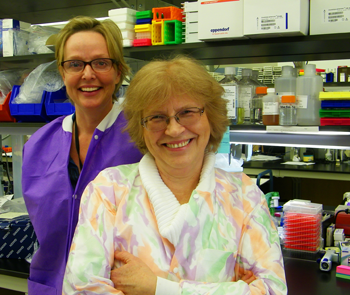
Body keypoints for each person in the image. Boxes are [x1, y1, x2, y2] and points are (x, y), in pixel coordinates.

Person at [63, 56, 287, 294]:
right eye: (157, 117)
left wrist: (158, 288)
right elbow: (80, 289)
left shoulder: (243, 195)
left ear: (210, 117)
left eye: (188, 112)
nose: (174, 129)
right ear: (141, 127)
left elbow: (272, 290)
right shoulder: (108, 191)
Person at [22, 16, 143, 295]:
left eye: (101, 63)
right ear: (63, 74)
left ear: (118, 71)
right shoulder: (39, 145)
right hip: (48, 286)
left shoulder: (143, 139)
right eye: (75, 64)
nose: (87, 74)